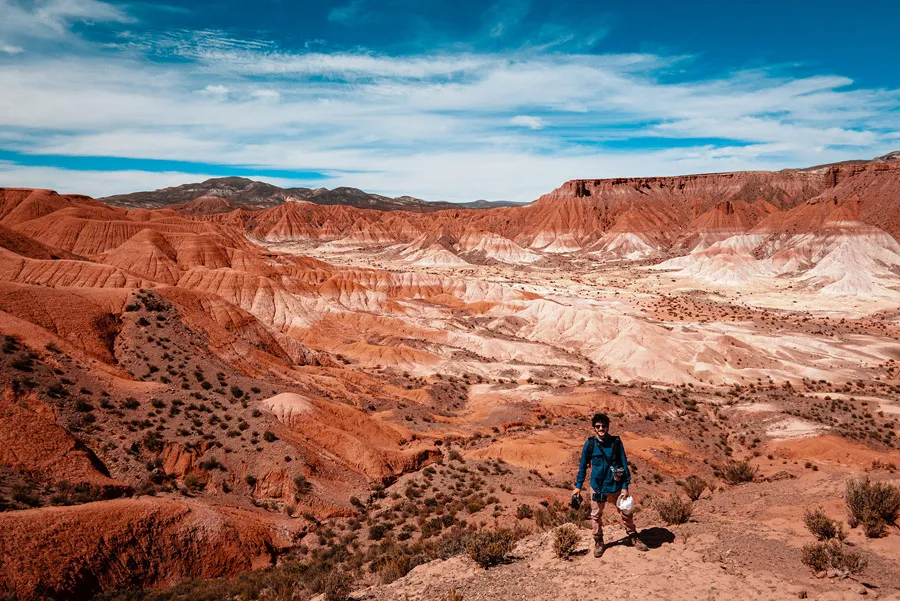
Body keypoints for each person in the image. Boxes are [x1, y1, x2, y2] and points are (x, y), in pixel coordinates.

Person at [572, 412, 648, 557]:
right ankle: (598, 541)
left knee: (626, 512)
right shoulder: (590, 444)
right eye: (598, 426)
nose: (601, 428)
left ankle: (633, 537)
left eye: (604, 426)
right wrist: (578, 486)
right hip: (597, 487)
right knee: (595, 515)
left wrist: (625, 486)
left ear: (608, 427)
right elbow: (582, 466)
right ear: (594, 428)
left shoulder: (616, 442)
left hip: (615, 486)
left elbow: (624, 464)